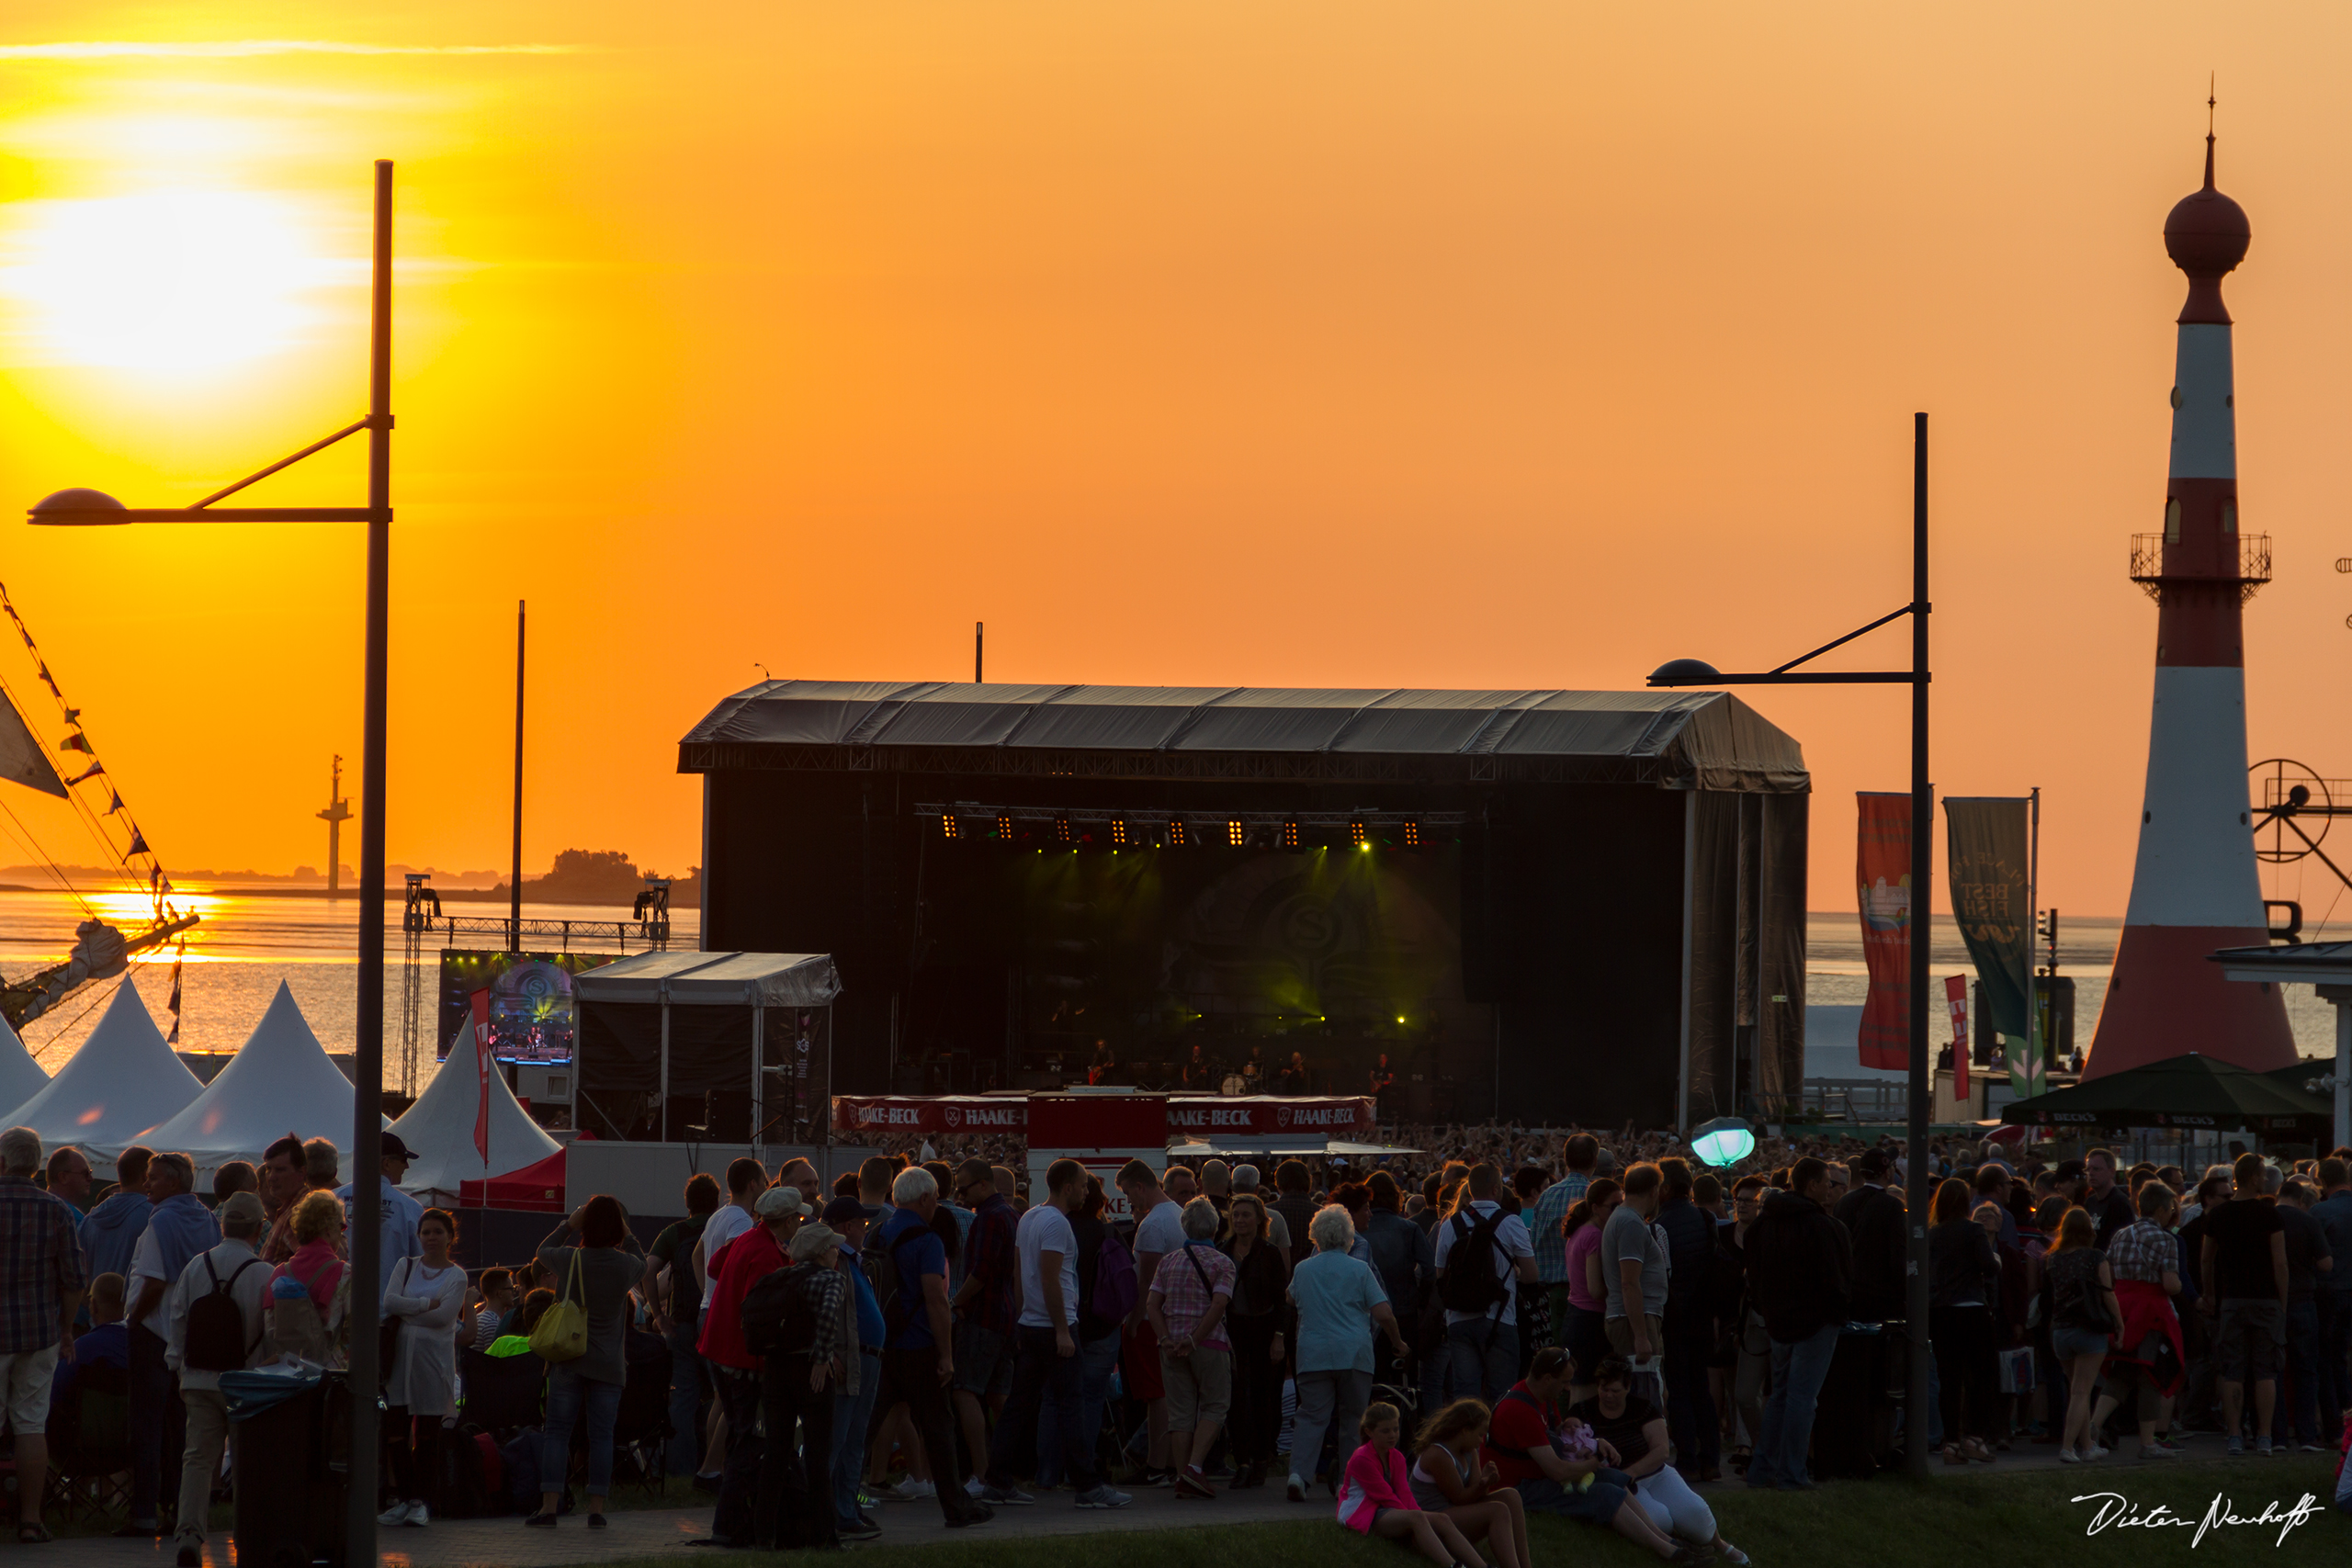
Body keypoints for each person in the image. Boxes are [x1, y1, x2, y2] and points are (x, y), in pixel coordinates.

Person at [978, 1157, 1133, 1509]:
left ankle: (998, 1480)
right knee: (1071, 1406)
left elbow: (1019, 1273)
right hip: (1054, 1327)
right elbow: (1050, 1278)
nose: (1086, 1190)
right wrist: (1063, 1330)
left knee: (1019, 1405)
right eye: (1082, 1185)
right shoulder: (1056, 1224)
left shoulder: (1029, 1217)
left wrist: (1021, 1318)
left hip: (1032, 1325)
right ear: (1067, 1187)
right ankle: (1088, 1487)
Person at [1481, 1346, 1697, 1562]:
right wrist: (1594, 1462)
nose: (1567, 1388)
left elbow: (1556, 1434)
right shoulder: (1520, 1410)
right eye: (1565, 1382)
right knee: (1604, 1495)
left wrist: (1596, 1442)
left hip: (1535, 1476)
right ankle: (1667, 1552)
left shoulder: (1542, 1397)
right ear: (1547, 1379)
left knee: (1614, 1478)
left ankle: (1667, 1540)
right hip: (1518, 1489)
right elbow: (1557, 1472)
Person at [865, 1168, 991, 1528]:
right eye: (934, 1199)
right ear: (923, 1199)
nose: (936, 1205)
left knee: (866, 1428)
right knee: (938, 1429)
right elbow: (936, 1299)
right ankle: (956, 1506)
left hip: (882, 1345)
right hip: (918, 1346)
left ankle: (836, 1499)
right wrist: (946, 1355)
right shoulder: (928, 1240)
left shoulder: (877, 1234)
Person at [160, 1190, 271, 1564]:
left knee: (197, 1459)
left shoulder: (196, 1265)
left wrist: (177, 1365)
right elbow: (269, 1330)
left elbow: (177, 1318)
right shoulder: (264, 1273)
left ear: (222, 1225)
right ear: (259, 1228)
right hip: (246, 1384)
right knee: (247, 1464)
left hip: (198, 1379)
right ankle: (248, 1535)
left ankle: (189, 1533)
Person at [695, 1182, 802, 1544]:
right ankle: (729, 1524)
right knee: (748, 1441)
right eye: (798, 1218)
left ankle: (735, 1519)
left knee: (740, 1437)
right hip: (742, 1358)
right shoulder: (767, 1254)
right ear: (787, 1222)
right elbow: (760, 1313)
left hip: (718, 1349)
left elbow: (712, 1265)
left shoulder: (747, 1239)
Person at [531, 1195, 644, 1529]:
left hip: (569, 1359)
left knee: (557, 1434)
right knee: (602, 1436)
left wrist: (568, 1224)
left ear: (586, 1224)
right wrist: (626, 1230)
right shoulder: (625, 1266)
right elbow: (643, 1259)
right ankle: (596, 1508)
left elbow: (542, 1251)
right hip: (609, 1365)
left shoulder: (570, 1259)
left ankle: (548, 1507)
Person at [1570, 1357, 1749, 1563]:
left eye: (1615, 1390)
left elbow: (1661, 1450)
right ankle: (1676, 1542)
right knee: (1659, 1520)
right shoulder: (1583, 1411)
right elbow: (1570, 1438)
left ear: (1628, 1388)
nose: (1608, 1395)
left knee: (1697, 1515)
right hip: (1623, 1485)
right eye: (1604, 1389)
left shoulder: (1642, 1409)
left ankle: (1719, 1543)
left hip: (1654, 1474)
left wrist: (1632, 1472)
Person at [1740, 1156, 1850, 1491]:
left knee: (1779, 1396)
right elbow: (1836, 1279)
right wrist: (1836, 1313)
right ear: (1813, 1185)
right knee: (1803, 1399)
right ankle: (1792, 1474)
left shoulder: (1764, 1223)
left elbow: (1753, 1273)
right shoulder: (1824, 1226)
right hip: (1815, 1323)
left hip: (1779, 1321)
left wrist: (1767, 1307)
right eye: (1827, 1182)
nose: (1831, 1189)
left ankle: (1763, 1469)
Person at [1288, 1202, 1410, 1502]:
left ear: (1315, 1235)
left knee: (1311, 1416)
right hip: (1354, 1353)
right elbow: (1383, 1312)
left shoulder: (1303, 1269)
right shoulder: (1359, 1269)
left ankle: (1298, 1475)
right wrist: (1397, 1341)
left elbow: (1290, 1300)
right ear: (1348, 1236)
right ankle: (1349, 1481)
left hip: (1313, 1352)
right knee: (1353, 1418)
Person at [125, 1152, 219, 1540]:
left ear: (174, 1183)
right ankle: (177, 1509)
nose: (147, 1185)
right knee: (183, 1430)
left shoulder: (161, 1220)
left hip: (154, 1331)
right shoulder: (207, 1218)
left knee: (146, 1427)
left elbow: (152, 1280)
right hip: (191, 1336)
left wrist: (131, 1318)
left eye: (154, 1178)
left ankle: (143, 1513)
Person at [1, 1125, 87, 1545]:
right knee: (31, 1425)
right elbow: (74, 1278)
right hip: (39, 1331)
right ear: (36, 1165)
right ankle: (31, 1520)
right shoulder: (55, 1210)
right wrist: (66, 1329)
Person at [760, 1221, 851, 1551]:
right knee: (816, 1452)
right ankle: (824, 1535)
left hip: (775, 1370)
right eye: (831, 1246)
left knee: (775, 1452)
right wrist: (822, 1357)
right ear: (819, 1252)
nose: (836, 1251)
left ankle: (764, 1532)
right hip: (809, 1369)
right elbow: (828, 1315)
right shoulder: (830, 1278)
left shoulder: (779, 1278)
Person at [378, 1207, 468, 1527]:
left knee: (427, 1435)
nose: (431, 1238)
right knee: (396, 1434)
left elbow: (444, 1318)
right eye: (426, 1232)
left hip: (433, 1365)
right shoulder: (406, 1266)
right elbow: (389, 1302)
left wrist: (409, 1310)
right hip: (400, 1364)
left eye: (437, 1232)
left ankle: (421, 1501)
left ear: (449, 1237)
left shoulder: (456, 1275)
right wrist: (424, 1305)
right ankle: (403, 1497)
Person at [1146, 1195, 1236, 1500]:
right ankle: (1195, 1468)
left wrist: (1165, 1337)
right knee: (1215, 1404)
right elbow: (1219, 1305)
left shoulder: (1168, 1261)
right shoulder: (1223, 1263)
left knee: (1180, 1412)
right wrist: (1195, 1338)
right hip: (1208, 1343)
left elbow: (1152, 1305)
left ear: (1185, 1228)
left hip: (1170, 1345)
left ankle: (1183, 1476)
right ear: (1215, 1228)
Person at [2199, 1150, 2288, 1456]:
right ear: (2253, 1177)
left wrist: (2210, 1294)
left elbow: (2206, 1259)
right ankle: (2264, 1435)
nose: (2265, 1179)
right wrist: (2282, 1301)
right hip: (2265, 1299)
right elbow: (2280, 1264)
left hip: (2232, 1299)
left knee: (2232, 1368)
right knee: (2265, 1369)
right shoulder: (2269, 1213)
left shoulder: (2218, 1216)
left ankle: (2235, 1434)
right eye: (2263, 1174)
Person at [2094, 1180, 2188, 1460]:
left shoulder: (2121, 1234)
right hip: (2150, 1314)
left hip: (2122, 1309)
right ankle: (2148, 1443)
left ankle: (2090, 1426)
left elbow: (2108, 1273)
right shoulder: (2165, 1239)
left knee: (2121, 1374)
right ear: (2160, 1209)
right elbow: (2170, 1284)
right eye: (2170, 1207)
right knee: (2150, 1375)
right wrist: (2182, 1286)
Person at [1433, 1164, 1537, 1405]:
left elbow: (1441, 1275)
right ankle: (1496, 1442)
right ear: (1496, 1190)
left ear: (1469, 1189)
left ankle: (1468, 1442)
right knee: (1502, 1396)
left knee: (1465, 1396)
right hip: (1500, 1317)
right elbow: (1531, 1275)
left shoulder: (1450, 1224)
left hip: (1458, 1318)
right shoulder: (1510, 1222)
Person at [1340, 1401, 1487, 1566]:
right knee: (1417, 1518)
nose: (1392, 1435)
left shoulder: (1397, 1457)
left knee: (1442, 1519)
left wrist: (1421, 1514)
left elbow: (1404, 1492)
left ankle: (1482, 1566)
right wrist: (1418, 1516)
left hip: (1387, 1509)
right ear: (1369, 1432)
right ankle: (1453, 1565)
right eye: (1385, 1431)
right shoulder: (1362, 1458)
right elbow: (1384, 1496)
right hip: (1364, 1511)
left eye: (1396, 1429)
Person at [948, 1157, 1018, 1494]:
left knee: (965, 1390)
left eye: (964, 1188)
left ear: (983, 1184)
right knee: (998, 1396)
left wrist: (957, 1300)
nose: (960, 1196)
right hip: (1005, 1314)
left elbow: (982, 1270)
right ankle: (1005, 1470)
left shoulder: (989, 1218)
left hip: (984, 1316)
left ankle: (982, 1472)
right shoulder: (1010, 1214)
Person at [646, 1172, 721, 1480]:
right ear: (717, 1201)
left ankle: (680, 1472)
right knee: (722, 1398)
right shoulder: (722, 1227)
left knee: (683, 1400)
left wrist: (657, 1314)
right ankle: (715, 1466)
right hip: (716, 1325)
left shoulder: (673, 1233)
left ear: (687, 1203)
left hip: (683, 1324)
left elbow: (648, 1270)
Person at [821, 1196, 886, 1542]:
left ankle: (845, 1509)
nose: (866, 1228)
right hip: (852, 1357)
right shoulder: (835, 1261)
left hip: (865, 1356)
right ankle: (829, 1511)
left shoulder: (853, 1262)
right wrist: (831, 1352)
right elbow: (823, 1308)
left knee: (854, 1439)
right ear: (847, 1227)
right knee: (840, 1437)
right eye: (862, 1223)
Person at [1651, 1157, 1719, 1480]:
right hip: (1703, 1315)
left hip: (1674, 1317)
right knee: (1701, 1387)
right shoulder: (1704, 1218)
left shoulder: (1659, 1226)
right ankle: (1712, 1459)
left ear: (1663, 1188)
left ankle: (1688, 1461)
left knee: (1678, 1390)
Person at [1219, 1190, 1291, 1490]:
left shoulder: (1269, 1252)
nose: (1240, 1219)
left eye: (1246, 1214)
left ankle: (1262, 1458)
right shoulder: (1223, 1250)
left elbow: (1283, 1299)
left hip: (1264, 1327)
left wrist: (1279, 1337)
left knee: (1264, 1397)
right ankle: (1243, 1461)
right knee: (1235, 1397)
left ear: (1259, 1219)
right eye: (1236, 1215)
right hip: (1234, 1328)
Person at [1927, 1177, 2000, 1463]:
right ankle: (1975, 1437)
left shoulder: (1933, 1234)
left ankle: (1951, 1442)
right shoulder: (1973, 1230)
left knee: (1949, 1378)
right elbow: (1989, 1267)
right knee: (1981, 1375)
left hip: (1942, 1311)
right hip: (1972, 1307)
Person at [1119, 1158, 1182, 1483]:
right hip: (1175, 1314)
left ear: (1141, 1187)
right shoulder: (1178, 1214)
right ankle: (1169, 1463)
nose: (1130, 1201)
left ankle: (1157, 1465)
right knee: (1169, 1393)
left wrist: (1132, 1320)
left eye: (1130, 1193)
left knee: (1155, 1394)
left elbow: (1146, 1280)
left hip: (1151, 1318)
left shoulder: (1152, 1225)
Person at [1408, 1399, 1529, 1568]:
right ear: (1464, 1431)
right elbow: (1460, 1498)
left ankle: (1526, 1565)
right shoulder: (1439, 1455)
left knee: (1511, 1496)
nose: (1483, 1440)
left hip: (1453, 1513)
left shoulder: (1470, 1451)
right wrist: (1482, 1484)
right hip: (1434, 1522)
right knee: (1498, 1510)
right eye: (1480, 1434)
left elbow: (1477, 1495)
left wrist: (1485, 1482)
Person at [2043, 1204, 2121, 1461]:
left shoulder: (2054, 1258)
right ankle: (2068, 1448)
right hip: (2089, 1330)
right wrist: (2119, 1324)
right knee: (2081, 1392)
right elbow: (2106, 1293)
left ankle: (2087, 1447)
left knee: (2077, 1390)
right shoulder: (2095, 1257)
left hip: (2060, 1331)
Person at [2275, 1178, 2335, 1451]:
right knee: (2306, 1370)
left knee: (2272, 1370)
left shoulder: (2267, 1218)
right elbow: (2325, 1263)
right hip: (2302, 1300)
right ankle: (2307, 1434)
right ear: (2301, 1200)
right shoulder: (2307, 1221)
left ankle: (2274, 1435)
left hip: (2272, 1302)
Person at [1362, 1172, 1431, 1393]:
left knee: (1372, 1379)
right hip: (1405, 1312)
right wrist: (1420, 1300)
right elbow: (1430, 1270)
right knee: (1406, 1382)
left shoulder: (1358, 1231)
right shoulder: (1408, 1228)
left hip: (1368, 1315)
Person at [1531, 1135, 1598, 1353]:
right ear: (1595, 1161)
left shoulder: (1546, 1196)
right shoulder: (1592, 1197)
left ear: (1566, 1159)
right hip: (1584, 1294)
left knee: (1556, 1359)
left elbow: (1534, 1244)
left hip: (1547, 1294)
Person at [335, 1131, 424, 1294]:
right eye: (403, 1160)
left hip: (335, 1303)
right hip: (386, 1307)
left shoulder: (334, 1197)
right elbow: (421, 1263)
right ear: (387, 1163)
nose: (407, 1166)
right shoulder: (409, 1207)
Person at [1600, 1163, 1668, 1368]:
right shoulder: (1630, 1223)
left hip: (1637, 1318)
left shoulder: (1628, 1219)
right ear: (1654, 1191)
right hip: (1635, 1321)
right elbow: (1629, 1282)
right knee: (1644, 1389)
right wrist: (1640, 1336)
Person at [1560, 1179, 1622, 1402]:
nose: (1618, 1211)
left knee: (1581, 1390)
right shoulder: (1595, 1236)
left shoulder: (1582, 1232)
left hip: (1577, 1316)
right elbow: (1595, 1289)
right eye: (1613, 1206)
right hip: (1590, 1321)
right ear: (1596, 1208)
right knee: (1586, 1394)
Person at [1833, 1146, 1907, 1322]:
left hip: (1850, 1294)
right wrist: (1904, 1292)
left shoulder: (1844, 1202)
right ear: (1887, 1173)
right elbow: (1897, 1253)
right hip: (1882, 1297)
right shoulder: (1892, 1205)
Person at [83, 1145, 155, 1281]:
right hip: (134, 1301)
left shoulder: (90, 1219)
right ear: (145, 1175)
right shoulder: (154, 1216)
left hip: (96, 1300)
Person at [2083, 1148, 2136, 1247]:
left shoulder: (2119, 1203)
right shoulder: (2090, 1202)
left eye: (2096, 1169)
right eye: (2088, 1169)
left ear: (2112, 1172)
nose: (2091, 1173)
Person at [45, 1146, 91, 1215]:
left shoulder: (34, 1208)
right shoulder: (72, 1217)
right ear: (63, 1177)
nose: (91, 1178)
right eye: (85, 1173)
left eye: (90, 1173)